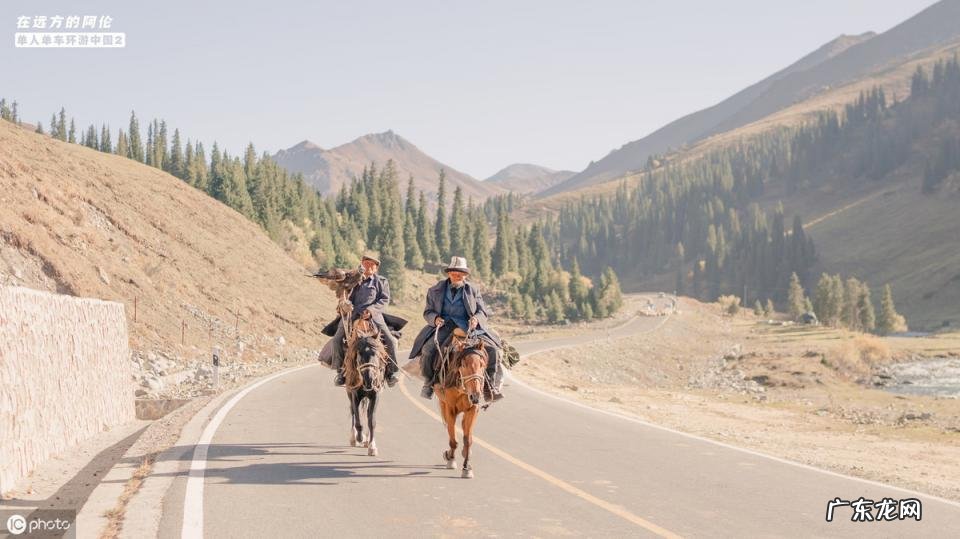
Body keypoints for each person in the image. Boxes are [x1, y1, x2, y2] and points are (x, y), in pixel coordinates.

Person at [408, 256, 503, 402]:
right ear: (448, 273)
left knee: (492, 350)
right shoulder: (435, 290)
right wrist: (435, 319)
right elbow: (428, 312)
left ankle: (490, 386)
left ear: (465, 275)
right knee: (428, 350)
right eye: (454, 272)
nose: (457, 275)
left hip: (467, 327)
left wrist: (476, 319)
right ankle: (428, 383)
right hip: (444, 325)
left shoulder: (473, 290)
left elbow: (482, 311)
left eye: (460, 273)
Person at [331, 254, 399, 387]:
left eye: (372, 264)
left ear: (376, 268)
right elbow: (343, 293)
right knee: (337, 339)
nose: (368, 266)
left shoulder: (382, 281)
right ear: (361, 264)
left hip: (374, 316)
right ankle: (340, 372)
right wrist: (344, 303)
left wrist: (371, 311)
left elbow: (384, 300)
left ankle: (391, 373)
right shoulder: (351, 278)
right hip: (351, 315)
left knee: (390, 340)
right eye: (366, 263)